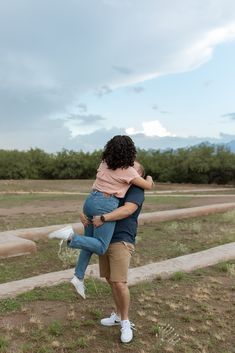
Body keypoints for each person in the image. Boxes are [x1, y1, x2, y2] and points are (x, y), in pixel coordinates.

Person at [49, 135, 153, 299]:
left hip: (90, 200)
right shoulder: (128, 170)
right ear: (130, 152)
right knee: (101, 246)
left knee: (89, 244)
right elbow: (148, 186)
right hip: (105, 203)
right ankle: (70, 236)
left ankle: (78, 276)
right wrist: (149, 178)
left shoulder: (104, 163)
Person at [80, 163, 145, 344]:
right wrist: (84, 212)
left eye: (135, 168)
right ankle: (117, 315)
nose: (129, 169)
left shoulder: (136, 189)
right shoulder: (115, 183)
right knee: (110, 279)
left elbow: (128, 209)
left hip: (121, 239)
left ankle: (125, 321)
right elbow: (95, 200)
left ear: (138, 174)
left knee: (119, 282)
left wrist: (103, 218)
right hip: (104, 237)